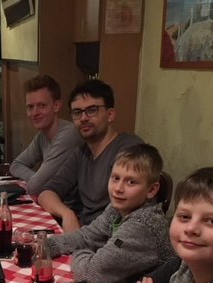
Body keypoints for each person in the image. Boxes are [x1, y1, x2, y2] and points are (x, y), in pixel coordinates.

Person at [46, 144, 175, 283]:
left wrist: (80, 251)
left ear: (151, 190)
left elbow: (93, 272)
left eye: (131, 182)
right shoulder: (118, 208)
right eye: (115, 178)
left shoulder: (142, 225)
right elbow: (87, 236)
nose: (118, 188)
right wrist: (46, 246)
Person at [38, 79, 143, 232]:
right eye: (77, 112)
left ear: (110, 114)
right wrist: (67, 214)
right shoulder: (81, 153)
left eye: (92, 110)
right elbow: (46, 193)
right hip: (85, 233)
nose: (84, 118)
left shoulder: (128, 149)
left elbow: (128, 215)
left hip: (112, 237)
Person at [9, 75, 82, 196]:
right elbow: (15, 165)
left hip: (71, 205)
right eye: (30, 107)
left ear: (56, 106)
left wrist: (38, 181)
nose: (35, 113)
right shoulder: (42, 135)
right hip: (53, 200)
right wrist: (36, 179)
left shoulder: (68, 135)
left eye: (42, 105)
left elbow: (35, 187)